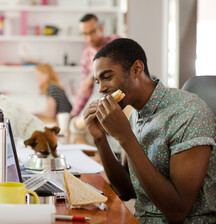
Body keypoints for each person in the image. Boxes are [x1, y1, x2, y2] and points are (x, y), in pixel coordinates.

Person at [83, 38, 216, 223]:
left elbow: (177, 211)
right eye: (97, 81)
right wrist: (99, 139)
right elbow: (127, 190)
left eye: (107, 77)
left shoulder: (188, 112)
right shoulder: (134, 114)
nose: (101, 89)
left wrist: (126, 137)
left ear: (136, 69)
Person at [70, 13, 120, 118]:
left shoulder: (115, 42)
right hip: (107, 104)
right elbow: (84, 91)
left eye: (92, 32)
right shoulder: (86, 56)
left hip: (125, 98)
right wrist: (73, 115)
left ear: (100, 28)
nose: (89, 38)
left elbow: (112, 64)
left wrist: (91, 75)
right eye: (84, 34)